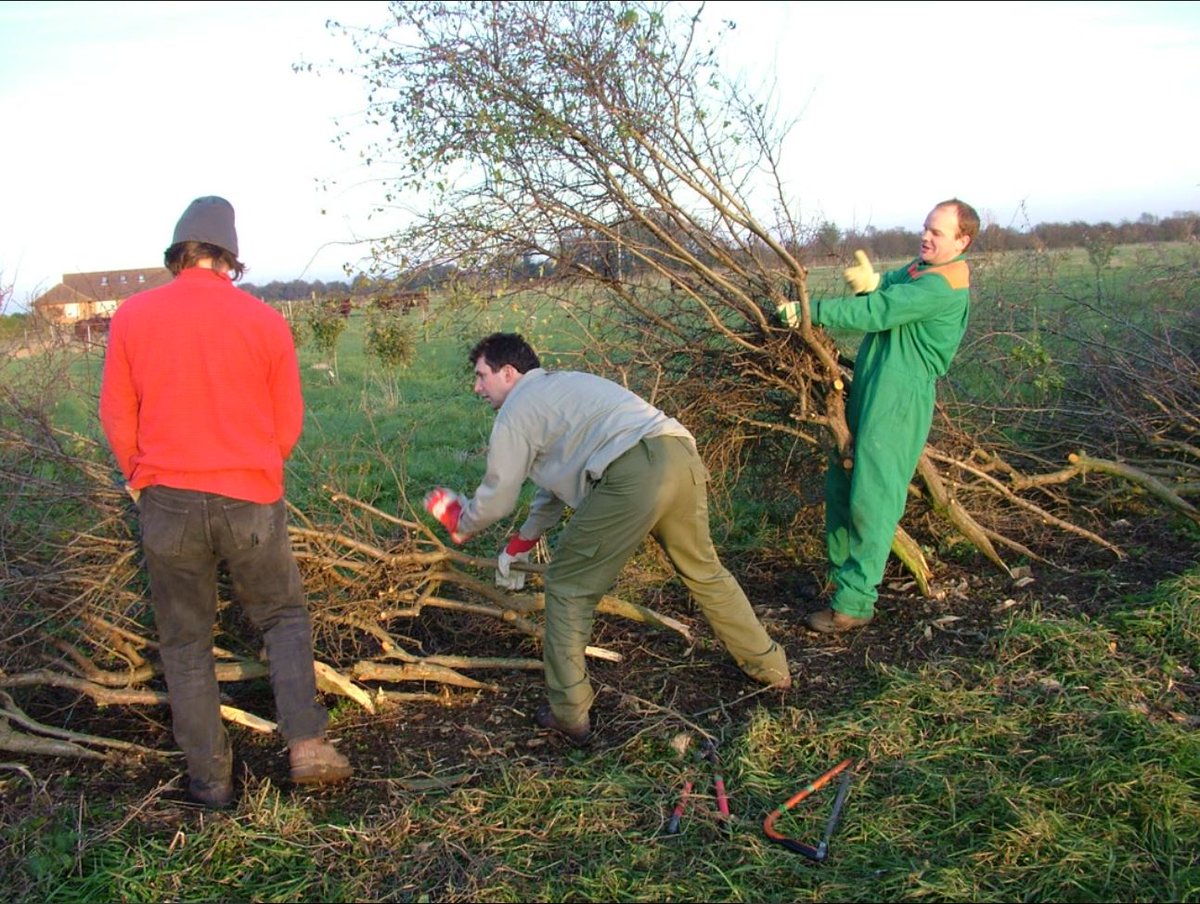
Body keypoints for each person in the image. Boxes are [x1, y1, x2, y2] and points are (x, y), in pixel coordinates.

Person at [99, 196, 352, 808]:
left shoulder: (132, 316)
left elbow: (115, 412)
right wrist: (258, 470)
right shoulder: (264, 321)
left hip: (168, 499)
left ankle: (210, 781)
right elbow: (286, 421)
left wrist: (140, 478)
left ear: (178, 253)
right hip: (249, 495)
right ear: (229, 259)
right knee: (283, 618)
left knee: (185, 642)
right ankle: (308, 748)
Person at [423, 333, 791, 744]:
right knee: (704, 570)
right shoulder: (563, 386)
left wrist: (462, 520)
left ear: (508, 373)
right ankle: (771, 666)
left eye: (481, 376)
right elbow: (553, 482)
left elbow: (499, 495)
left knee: (567, 586)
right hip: (679, 454)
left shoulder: (516, 411)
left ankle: (569, 712)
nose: (477, 388)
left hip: (632, 475)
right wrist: (525, 539)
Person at [778, 198, 980, 633]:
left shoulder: (941, 285)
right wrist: (874, 280)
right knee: (842, 481)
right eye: (926, 228)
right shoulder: (921, 270)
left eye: (938, 233)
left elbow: (878, 311)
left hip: (899, 400)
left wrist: (809, 315)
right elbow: (888, 287)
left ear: (962, 241)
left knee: (873, 498)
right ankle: (840, 582)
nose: (926, 236)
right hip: (873, 388)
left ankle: (854, 603)